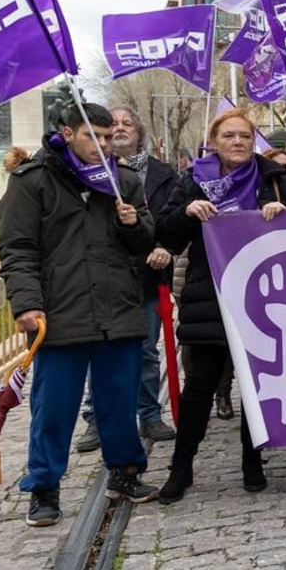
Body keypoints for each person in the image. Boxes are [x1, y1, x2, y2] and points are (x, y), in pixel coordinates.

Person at [0, 103, 159, 526]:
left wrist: (132, 224)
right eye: (95, 137)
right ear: (69, 134)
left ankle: (125, 472)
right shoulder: (32, 181)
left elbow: (143, 241)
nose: (104, 145)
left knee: (119, 402)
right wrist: (27, 303)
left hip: (116, 309)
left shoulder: (122, 179)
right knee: (53, 407)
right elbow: (17, 249)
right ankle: (44, 486)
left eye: (109, 138)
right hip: (60, 312)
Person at [155, 107, 286, 504]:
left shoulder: (276, 180)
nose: (237, 142)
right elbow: (165, 233)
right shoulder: (194, 180)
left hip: (263, 297)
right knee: (199, 389)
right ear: (214, 142)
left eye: (243, 136)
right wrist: (188, 213)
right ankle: (181, 467)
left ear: (253, 139)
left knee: (255, 389)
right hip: (210, 296)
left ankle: (252, 462)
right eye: (228, 136)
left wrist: (284, 216)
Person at [75, 105, 179, 455]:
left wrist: (163, 245)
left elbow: (168, 219)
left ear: (138, 132)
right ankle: (96, 418)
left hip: (146, 277)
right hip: (102, 278)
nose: (117, 130)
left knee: (146, 352)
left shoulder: (163, 174)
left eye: (125, 124)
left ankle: (149, 413)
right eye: (109, 127)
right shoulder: (82, 173)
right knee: (98, 351)